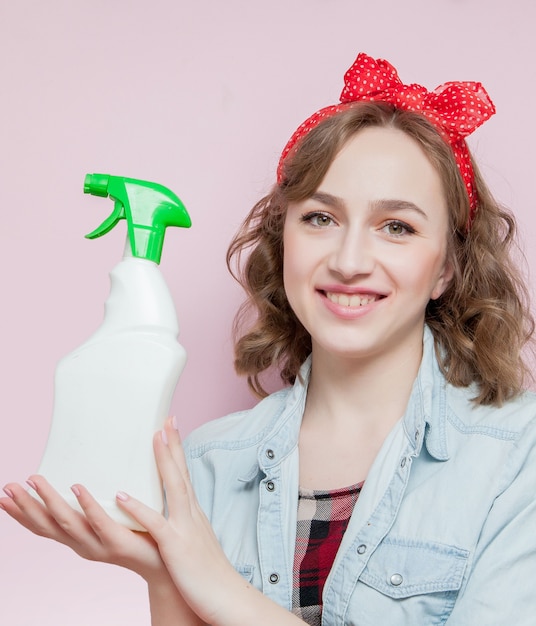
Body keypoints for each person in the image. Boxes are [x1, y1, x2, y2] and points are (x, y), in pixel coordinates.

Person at [2, 52, 536, 625]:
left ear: (447, 268)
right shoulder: (205, 465)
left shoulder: (515, 456)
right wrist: (163, 572)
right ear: (283, 241)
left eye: (397, 227)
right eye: (320, 218)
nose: (349, 260)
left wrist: (216, 584)